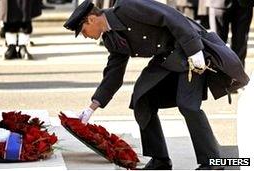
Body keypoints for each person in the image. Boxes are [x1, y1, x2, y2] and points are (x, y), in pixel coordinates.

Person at [64, 0, 249, 169]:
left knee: (188, 105)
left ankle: (212, 162)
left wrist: (195, 51)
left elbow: (173, 17)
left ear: (90, 19)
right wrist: (91, 107)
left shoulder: (127, 8)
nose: (85, 36)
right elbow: (113, 74)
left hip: (188, 51)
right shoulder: (111, 39)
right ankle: (160, 159)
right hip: (166, 59)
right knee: (142, 99)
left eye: (82, 31)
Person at [208, 0, 254, 67]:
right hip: (218, 3)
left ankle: (238, 75)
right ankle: (217, 75)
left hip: (244, 4)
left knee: (240, 43)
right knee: (217, 45)